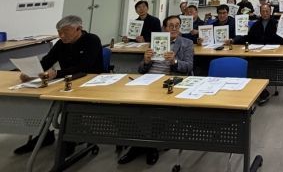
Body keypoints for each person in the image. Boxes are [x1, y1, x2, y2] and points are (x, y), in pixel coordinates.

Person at [14, 15, 103, 155]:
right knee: (34, 99)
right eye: (59, 32)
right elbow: (47, 61)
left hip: (90, 81)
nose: (61, 36)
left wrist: (57, 73)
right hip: (66, 80)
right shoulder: (61, 43)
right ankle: (44, 135)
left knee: (70, 103)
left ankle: (70, 139)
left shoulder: (92, 40)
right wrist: (31, 72)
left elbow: (85, 66)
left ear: (78, 29)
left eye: (65, 32)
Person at [120, 15, 193, 165]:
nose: (174, 28)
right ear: (164, 28)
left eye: (177, 25)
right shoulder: (154, 41)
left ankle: (149, 146)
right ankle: (138, 142)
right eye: (170, 25)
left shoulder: (187, 43)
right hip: (148, 79)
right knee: (130, 104)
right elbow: (141, 69)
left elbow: (188, 67)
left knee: (156, 109)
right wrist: (146, 61)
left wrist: (174, 61)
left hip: (170, 80)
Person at [244, 4, 283, 104]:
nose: (265, 13)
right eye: (263, 11)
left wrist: (264, 41)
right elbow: (250, 38)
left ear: (270, 12)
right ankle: (260, 90)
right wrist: (245, 31)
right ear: (260, 12)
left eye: (267, 11)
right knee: (249, 63)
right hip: (257, 53)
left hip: (272, 54)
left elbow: (279, 40)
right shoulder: (256, 24)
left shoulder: (276, 24)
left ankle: (262, 90)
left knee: (262, 66)